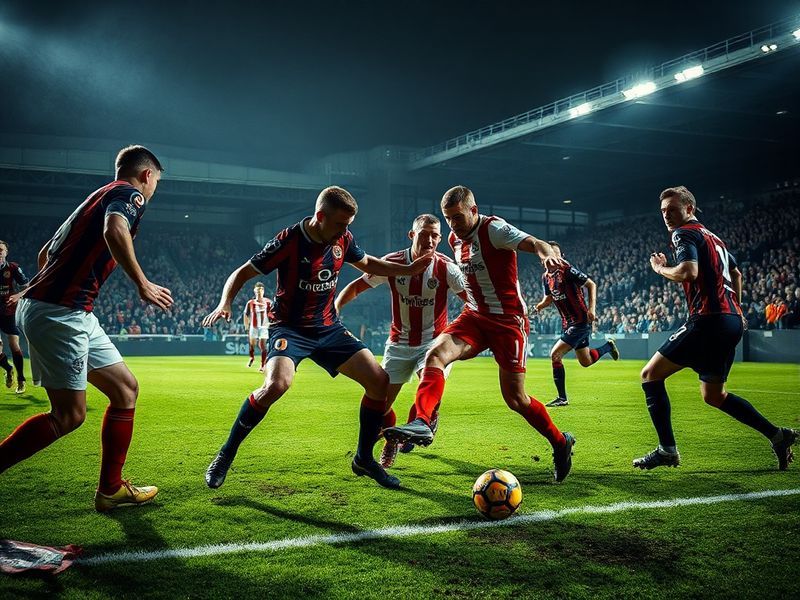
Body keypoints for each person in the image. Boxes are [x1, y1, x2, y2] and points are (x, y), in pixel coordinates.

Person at [203, 186, 431, 490]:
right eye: (339, 224)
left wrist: (408, 268)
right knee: (276, 385)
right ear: (320, 216)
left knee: (379, 382)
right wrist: (225, 302)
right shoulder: (288, 241)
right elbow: (243, 272)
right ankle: (226, 454)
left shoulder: (343, 238)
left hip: (328, 328)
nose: (344, 232)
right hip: (290, 329)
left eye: (348, 225)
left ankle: (364, 458)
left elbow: (368, 264)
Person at [0, 145, 173, 511]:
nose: (155, 187)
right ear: (147, 175)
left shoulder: (96, 197)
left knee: (126, 390)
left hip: (70, 309)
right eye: (156, 180)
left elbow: (46, 252)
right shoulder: (131, 194)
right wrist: (141, 282)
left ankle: (111, 490)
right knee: (69, 415)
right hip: (61, 313)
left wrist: (33, 291)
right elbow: (115, 228)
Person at [384, 185, 576, 482]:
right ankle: (422, 421)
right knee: (435, 355)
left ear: (474, 211)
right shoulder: (453, 238)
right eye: (448, 219)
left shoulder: (495, 229)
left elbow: (535, 242)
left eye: (458, 218)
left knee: (515, 399)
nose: (453, 226)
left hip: (508, 323)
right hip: (475, 316)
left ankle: (561, 442)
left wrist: (547, 254)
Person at [635, 186, 798, 470]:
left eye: (672, 209)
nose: (667, 216)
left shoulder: (683, 233)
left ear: (690, 209)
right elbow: (735, 272)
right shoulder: (715, 239)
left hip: (708, 319)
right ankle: (778, 435)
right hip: (730, 320)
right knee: (714, 395)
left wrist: (659, 269)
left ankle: (667, 450)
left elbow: (688, 272)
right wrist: (737, 307)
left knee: (650, 375)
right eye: (663, 211)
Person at [335, 214, 466, 468]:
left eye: (435, 235)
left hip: (434, 343)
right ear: (412, 235)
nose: (429, 239)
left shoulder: (447, 268)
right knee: (381, 404)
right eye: (424, 233)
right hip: (399, 344)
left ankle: (427, 417)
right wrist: (335, 309)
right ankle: (392, 440)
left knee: (427, 391)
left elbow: (472, 301)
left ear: (440, 238)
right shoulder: (392, 263)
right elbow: (355, 287)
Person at [532, 241, 619, 407]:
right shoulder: (546, 277)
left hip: (580, 322)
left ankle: (562, 398)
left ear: (561, 256)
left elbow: (591, 284)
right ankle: (608, 347)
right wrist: (538, 307)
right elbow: (548, 298)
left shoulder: (567, 270)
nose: (554, 258)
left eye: (556, 254)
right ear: (543, 258)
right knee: (585, 361)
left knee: (555, 355)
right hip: (567, 323)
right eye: (550, 254)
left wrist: (592, 309)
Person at [0, 240, 29, 393]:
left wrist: (18, 295)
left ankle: (21, 379)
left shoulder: (13, 268)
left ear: (6, 252)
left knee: (14, 345)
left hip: (8, 310)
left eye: (1, 250)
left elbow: (26, 286)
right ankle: (8, 368)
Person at [243, 282, 272, 372]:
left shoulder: (268, 302)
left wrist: (271, 323)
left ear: (263, 291)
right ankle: (251, 358)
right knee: (252, 345)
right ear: (254, 291)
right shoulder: (250, 303)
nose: (258, 292)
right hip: (253, 327)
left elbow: (273, 314)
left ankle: (262, 365)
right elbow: (245, 314)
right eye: (257, 290)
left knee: (262, 346)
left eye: (260, 290)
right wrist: (246, 325)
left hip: (264, 327)